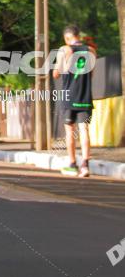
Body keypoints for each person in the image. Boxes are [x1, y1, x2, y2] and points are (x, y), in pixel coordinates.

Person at [52, 24, 95, 177]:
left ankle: (72, 164)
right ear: (79, 35)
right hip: (85, 96)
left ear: (67, 37)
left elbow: (56, 73)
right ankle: (85, 165)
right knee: (84, 130)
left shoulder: (65, 50)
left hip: (68, 96)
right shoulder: (91, 50)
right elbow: (92, 74)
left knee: (70, 131)